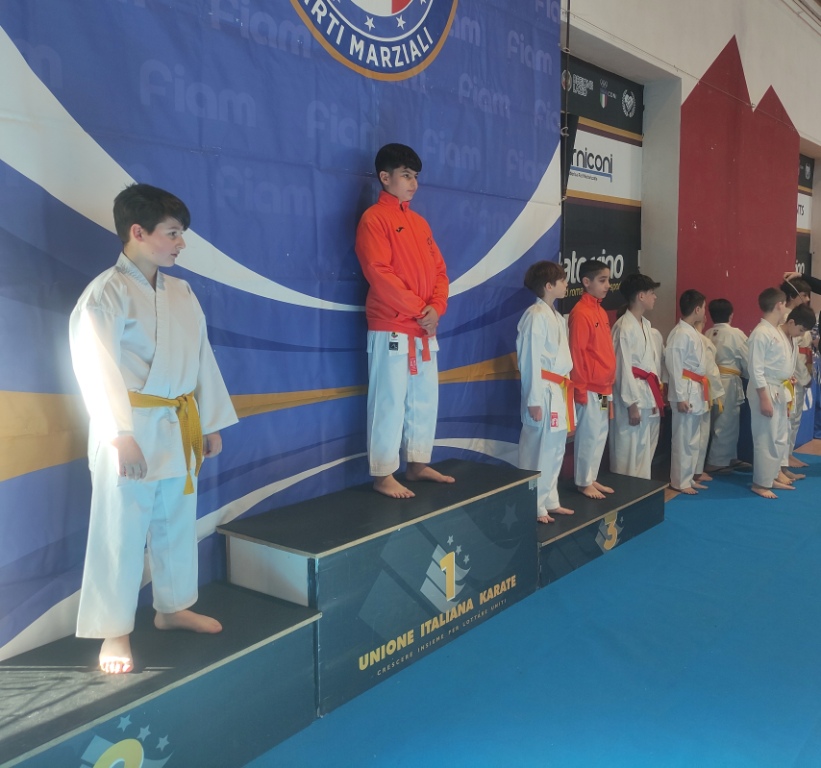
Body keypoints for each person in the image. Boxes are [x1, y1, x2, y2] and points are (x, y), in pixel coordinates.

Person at [69, 183, 238, 674]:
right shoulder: (105, 294)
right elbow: (95, 369)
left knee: (176, 520)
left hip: (178, 422)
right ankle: (114, 630)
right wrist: (119, 434)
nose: (180, 243)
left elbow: (201, 359)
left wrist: (209, 421)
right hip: (130, 428)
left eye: (181, 234)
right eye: (172, 233)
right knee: (121, 529)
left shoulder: (182, 292)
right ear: (138, 232)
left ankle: (173, 607)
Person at [355, 143, 454, 498]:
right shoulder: (374, 219)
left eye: (415, 177)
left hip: (424, 326)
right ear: (385, 177)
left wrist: (436, 308)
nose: (414, 184)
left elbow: (440, 271)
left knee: (425, 398)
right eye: (406, 176)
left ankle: (417, 462)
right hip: (392, 324)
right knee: (389, 400)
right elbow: (378, 272)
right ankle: (383, 473)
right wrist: (419, 310)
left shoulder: (419, 223)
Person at [517, 261, 575, 523]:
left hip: (559, 389)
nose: (566, 284)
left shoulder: (557, 317)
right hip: (542, 390)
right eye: (562, 280)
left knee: (555, 448)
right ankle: (533, 504)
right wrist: (533, 399)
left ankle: (550, 499)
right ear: (549, 286)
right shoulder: (534, 316)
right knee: (537, 449)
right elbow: (528, 360)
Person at [746, 288, 809, 499]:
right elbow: (755, 369)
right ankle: (759, 483)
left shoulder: (775, 331)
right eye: (784, 304)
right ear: (779, 305)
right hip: (766, 390)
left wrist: (788, 377)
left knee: (779, 437)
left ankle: (772, 476)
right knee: (766, 438)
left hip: (779, 389)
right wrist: (764, 397)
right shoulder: (761, 333)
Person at [568, 259, 616, 499]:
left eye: (608, 280)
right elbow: (577, 354)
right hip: (589, 388)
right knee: (588, 434)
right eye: (602, 280)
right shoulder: (581, 313)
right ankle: (583, 481)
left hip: (604, 388)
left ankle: (591, 476)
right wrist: (579, 390)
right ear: (586, 282)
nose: (607, 285)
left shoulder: (600, 311)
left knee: (600, 433)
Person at [609, 273, 664, 479]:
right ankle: (625, 490)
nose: (654, 297)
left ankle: (641, 490)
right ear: (641, 296)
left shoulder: (646, 325)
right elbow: (622, 368)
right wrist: (631, 403)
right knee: (627, 448)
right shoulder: (623, 327)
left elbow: (652, 364)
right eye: (652, 293)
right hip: (630, 397)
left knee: (644, 449)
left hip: (647, 393)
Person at [664, 289, 710, 494]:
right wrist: (680, 396)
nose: (705, 311)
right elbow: (674, 366)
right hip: (685, 388)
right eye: (704, 307)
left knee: (692, 439)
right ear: (697, 309)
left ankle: (688, 478)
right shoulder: (680, 334)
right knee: (683, 439)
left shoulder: (690, 332)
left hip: (695, 387)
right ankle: (679, 481)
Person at [704, 299, 750, 473]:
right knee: (726, 422)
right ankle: (717, 462)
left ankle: (728, 457)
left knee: (717, 420)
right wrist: (750, 375)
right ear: (731, 315)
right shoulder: (735, 334)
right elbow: (747, 359)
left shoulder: (707, 332)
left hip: (710, 381)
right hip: (728, 381)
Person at [780, 279, 813, 470]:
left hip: (800, 369)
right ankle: (784, 457)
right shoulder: (786, 318)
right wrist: (804, 378)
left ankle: (789, 453)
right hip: (794, 373)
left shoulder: (801, 317)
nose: (807, 299)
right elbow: (794, 353)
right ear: (793, 296)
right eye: (804, 295)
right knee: (790, 418)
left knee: (795, 417)